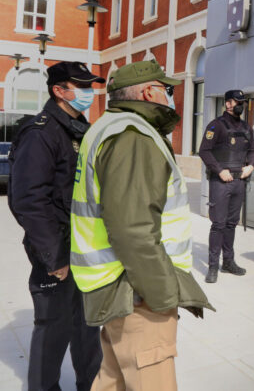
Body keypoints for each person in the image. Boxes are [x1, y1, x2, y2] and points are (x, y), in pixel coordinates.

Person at [69, 60, 213, 390]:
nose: (170, 96)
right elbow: (132, 228)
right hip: (137, 292)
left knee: (113, 380)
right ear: (149, 92)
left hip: (119, 285)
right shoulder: (133, 137)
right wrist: (163, 294)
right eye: (166, 89)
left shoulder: (109, 127)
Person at [8, 61, 104, 391]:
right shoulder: (41, 133)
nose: (89, 92)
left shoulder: (82, 130)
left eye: (91, 86)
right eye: (82, 86)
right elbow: (28, 200)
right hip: (57, 250)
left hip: (85, 247)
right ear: (59, 91)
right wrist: (55, 256)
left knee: (87, 325)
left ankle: (91, 384)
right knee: (53, 328)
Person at [198, 89, 254, 283]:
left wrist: (251, 166)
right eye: (237, 102)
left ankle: (228, 262)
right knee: (218, 224)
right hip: (221, 182)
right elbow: (204, 151)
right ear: (228, 104)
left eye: (242, 102)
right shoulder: (216, 125)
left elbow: (253, 150)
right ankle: (213, 266)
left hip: (239, 182)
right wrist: (219, 170)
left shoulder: (247, 128)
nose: (240, 105)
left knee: (232, 224)